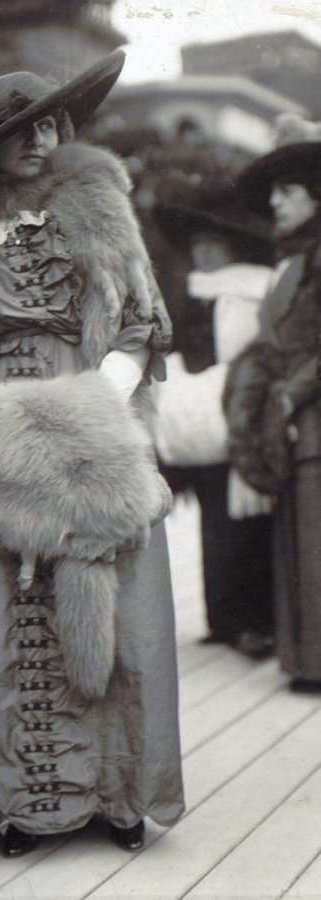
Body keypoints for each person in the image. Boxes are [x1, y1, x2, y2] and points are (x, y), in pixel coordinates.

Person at [0, 50, 185, 856]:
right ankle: (20, 806)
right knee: (6, 614)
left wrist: (96, 404)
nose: (40, 139)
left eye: (50, 122)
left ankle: (118, 798)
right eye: (20, 129)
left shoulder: (102, 215)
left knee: (117, 605)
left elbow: (142, 324)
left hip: (99, 430)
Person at [153, 181, 275, 658]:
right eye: (197, 244)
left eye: (213, 244)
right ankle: (222, 617)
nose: (203, 253)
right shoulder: (193, 292)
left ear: (232, 246)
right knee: (213, 524)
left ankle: (252, 620)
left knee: (245, 523)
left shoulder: (249, 291)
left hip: (239, 415)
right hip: (198, 421)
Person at [225, 114, 321, 692]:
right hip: (295, 427)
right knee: (300, 541)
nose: (276, 202)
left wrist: (290, 393)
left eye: (288, 191)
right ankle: (307, 661)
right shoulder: (292, 262)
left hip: (310, 418)